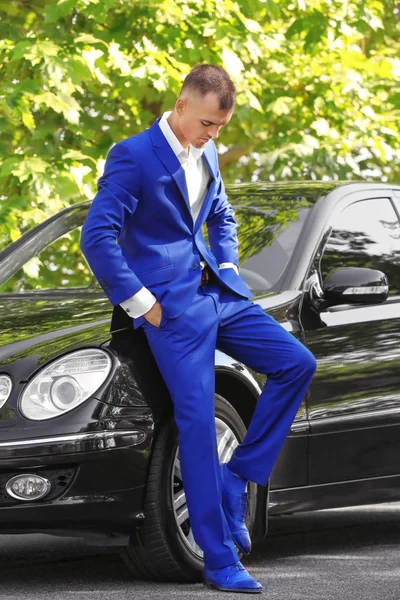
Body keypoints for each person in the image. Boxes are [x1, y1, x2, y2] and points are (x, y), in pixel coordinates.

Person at [80, 64, 317, 593]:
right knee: (198, 426)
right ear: (183, 105)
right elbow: (96, 237)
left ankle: (241, 476)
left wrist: (230, 269)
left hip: (218, 294)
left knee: (296, 363)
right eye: (209, 123)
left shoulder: (207, 150)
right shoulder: (133, 156)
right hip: (170, 309)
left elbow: (222, 215)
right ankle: (218, 558)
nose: (214, 135)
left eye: (221, 128)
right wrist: (143, 304)